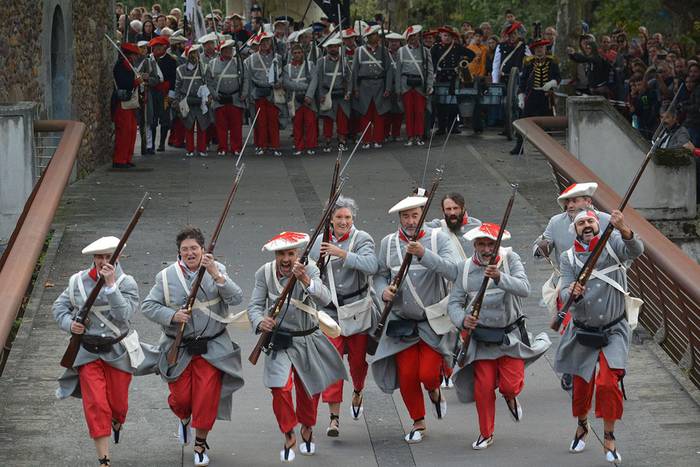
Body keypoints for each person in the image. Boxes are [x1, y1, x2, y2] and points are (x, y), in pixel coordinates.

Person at [141, 226, 245, 467]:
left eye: (194, 248)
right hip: (180, 348)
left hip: (212, 347)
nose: (190, 253)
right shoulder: (165, 277)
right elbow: (148, 306)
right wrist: (172, 315)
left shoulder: (218, 270)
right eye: (185, 249)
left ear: (203, 249)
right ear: (179, 252)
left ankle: (200, 443)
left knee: (206, 398)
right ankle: (184, 418)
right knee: (181, 399)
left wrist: (216, 274)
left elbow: (237, 298)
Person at [448, 224, 550, 450]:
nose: (486, 249)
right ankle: (486, 433)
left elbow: (524, 288)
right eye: (482, 244)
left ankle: (510, 397)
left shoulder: (510, 259)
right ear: (474, 245)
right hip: (481, 340)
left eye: (491, 244)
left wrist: (499, 277)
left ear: (498, 244)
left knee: (510, 386)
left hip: (509, 336)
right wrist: (462, 320)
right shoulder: (464, 268)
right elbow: (454, 303)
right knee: (483, 388)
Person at [247, 232, 347, 462]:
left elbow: (325, 298)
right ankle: (288, 430)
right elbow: (254, 306)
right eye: (281, 253)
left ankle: (308, 427)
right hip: (279, 341)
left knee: (309, 391)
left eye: (291, 253)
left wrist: (305, 280)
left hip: (307, 339)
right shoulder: (263, 273)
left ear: (298, 254)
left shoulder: (310, 269)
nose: (286, 258)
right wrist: (259, 321)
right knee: (279, 388)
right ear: (275, 255)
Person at [554, 209, 644, 464]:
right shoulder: (568, 257)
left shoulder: (614, 243)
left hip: (614, 328)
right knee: (581, 387)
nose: (586, 225)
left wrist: (624, 228)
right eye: (581, 223)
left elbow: (636, 250)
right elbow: (564, 294)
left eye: (590, 221)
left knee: (607, 383)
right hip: (583, 329)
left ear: (599, 224)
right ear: (575, 229)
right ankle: (582, 425)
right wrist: (572, 290)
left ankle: (609, 435)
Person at [53, 236, 150, 467]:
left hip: (117, 350)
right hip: (87, 352)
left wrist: (111, 286)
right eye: (99, 257)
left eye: (108, 256)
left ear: (117, 258)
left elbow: (123, 316)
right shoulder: (77, 281)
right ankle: (104, 459)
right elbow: (59, 308)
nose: (103, 261)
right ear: (93, 258)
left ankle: (117, 420)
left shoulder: (127, 283)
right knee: (96, 404)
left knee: (118, 404)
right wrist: (70, 324)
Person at [372, 194, 460, 443]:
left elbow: (454, 271)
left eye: (415, 215)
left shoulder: (437, 239)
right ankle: (418, 421)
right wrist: (383, 290)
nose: (410, 221)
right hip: (402, 321)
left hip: (433, 321)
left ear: (423, 215)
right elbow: (379, 274)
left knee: (428, 374)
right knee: (408, 375)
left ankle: (434, 391)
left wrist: (424, 254)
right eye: (405, 216)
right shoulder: (388, 243)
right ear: (399, 218)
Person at [308, 196, 379, 437]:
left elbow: (372, 265)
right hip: (330, 313)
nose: (343, 221)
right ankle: (334, 418)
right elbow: (311, 271)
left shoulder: (363, 238)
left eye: (347, 217)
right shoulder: (319, 241)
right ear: (330, 218)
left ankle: (358, 389)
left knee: (357, 363)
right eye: (339, 217)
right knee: (332, 364)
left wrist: (342, 254)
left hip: (357, 311)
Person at [533, 182, 611, 390]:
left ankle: (604, 365)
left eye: (574, 200)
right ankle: (571, 368)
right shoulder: (556, 222)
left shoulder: (606, 220)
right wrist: (542, 247)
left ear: (588, 202)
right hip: (568, 283)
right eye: (567, 201)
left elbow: (622, 251)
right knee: (571, 325)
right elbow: (541, 245)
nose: (569, 205)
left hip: (603, 284)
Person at [510, 34, 560, 155]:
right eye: (537, 48)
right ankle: (519, 145)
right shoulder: (528, 62)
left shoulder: (552, 61)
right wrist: (521, 96)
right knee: (523, 120)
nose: (539, 50)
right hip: (531, 95)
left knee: (548, 122)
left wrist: (551, 83)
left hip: (546, 96)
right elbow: (523, 81)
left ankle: (550, 148)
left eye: (541, 47)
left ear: (545, 49)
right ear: (534, 49)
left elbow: (558, 77)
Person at [352, 24, 393, 149]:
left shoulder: (384, 50)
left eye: (376, 34)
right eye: (372, 35)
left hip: (380, 84)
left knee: (379, 113)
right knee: (365, 113)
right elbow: (354, 71)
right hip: (364, 85)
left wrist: (388, 88)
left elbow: (389, 70)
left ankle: (378, 139)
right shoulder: (359, 51)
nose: (376, 37)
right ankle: (366, 139)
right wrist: (355, 88)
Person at [206, 39, 247, 157]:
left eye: (230, 49)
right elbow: (209, 81)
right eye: (226, 49)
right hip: (220, 99)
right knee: (221, 126)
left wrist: (244, 93)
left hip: (235, 98)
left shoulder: (239, 62)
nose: (229, 51)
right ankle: (222, 147)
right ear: (221, 50)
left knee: (236, 126)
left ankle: (236, 148)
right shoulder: (212, 64)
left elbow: (245, 79)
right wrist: (214, 95)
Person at [246, 31, 284, 156]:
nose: (265, 44)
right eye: (262, 42)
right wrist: (250, 95)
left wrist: (280, 82)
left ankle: (275, 146)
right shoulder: (251, 60)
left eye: (267, 41)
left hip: (273, 93)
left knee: (273, 121)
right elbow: (248, 78)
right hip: (258, 93)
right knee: (260, 122)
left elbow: (283, 74)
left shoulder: (277, 57)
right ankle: (261, 145)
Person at [432, 26, 474, 135]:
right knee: (440, 104)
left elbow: (471, 55)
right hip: (441, 77)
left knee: (453, 103)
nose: (447, 38)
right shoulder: (435, 48)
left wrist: (462, 61)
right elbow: (431, 61)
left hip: (454, 77)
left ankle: (453, 127)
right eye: (445, 35)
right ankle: (441, 128)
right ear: (441, 36)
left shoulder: (457, 47)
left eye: (449, 36)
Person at [397, 25, 434, 146]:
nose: (414, 38)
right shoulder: (401, 51)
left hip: (420, 85)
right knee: (408, 112)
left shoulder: (425, 51)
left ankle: (419, 135)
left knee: (419, 112)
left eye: (415, 36)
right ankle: (410, 136)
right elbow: (398, 71)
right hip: (406, 85)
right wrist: (398, 88)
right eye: (411, 36)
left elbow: (429, 70)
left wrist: (429, 85)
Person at [173, 45, 212, 157]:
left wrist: (209, 96)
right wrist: (176, 100)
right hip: (186, 100)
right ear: (187, 55)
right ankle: (189, 149)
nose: (194, 56)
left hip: (201, 100)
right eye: (192, 53)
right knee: (188, 126)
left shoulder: (204, 68)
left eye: (196, 53)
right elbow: (178, 87)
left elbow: (209, 83)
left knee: (202, 125)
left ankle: (202, 149)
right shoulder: (180, 70)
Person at [317, 36, 352, 152]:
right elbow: (320, 80)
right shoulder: (321, 62)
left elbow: (349, 78)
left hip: (341, 94)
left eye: (335, 46)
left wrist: (348, 91)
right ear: (327, 48)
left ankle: (342, 139)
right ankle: (327, 139)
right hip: (328, 94)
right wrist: (321, 94)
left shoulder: (344, 61)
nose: (333, 49)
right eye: (331, 47)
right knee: (328, 118)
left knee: (342, 118)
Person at [111, 42, 142, 169]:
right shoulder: (120, 66)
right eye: (134, 55)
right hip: (122, 103)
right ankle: (120, 159)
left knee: (131, 131)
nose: (135, 58)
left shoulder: (128, 66)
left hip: (130, 103)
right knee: (124, 132)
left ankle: (127, 157)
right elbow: (124, 83)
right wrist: (135, 82)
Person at [283, 43, 318, 155]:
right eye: (295, 53)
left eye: (299, 52)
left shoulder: (310, 65)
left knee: (310, 123)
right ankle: (299, 146)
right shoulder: (287, 67)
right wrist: (304, 86)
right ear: (292, 54)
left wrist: (309, 95)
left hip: (308, 98)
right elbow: (287, 83)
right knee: (297, 124)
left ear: (303, 53)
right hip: (294, 99)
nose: (297, 55)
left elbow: (314, 81)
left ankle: (311, 146)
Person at [149, 36, 176, 152]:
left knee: (165, 118)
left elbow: (174, 79)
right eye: (154, 47)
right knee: (152, 118)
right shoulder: (149, 60)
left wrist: (171, 94)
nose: (156, 50)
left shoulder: (171, 61)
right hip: (152, 93)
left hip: (165, 94)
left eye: (159, 47)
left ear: (164, 48)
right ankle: (152, 144)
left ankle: (161, 143)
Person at [385, 32, 405, 142]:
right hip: (387, 86)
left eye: (396, 41)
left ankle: (396, 134)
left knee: (398, 111)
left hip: (400, 85)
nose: (393, 43)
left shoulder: (403, 53)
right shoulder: (384, 53)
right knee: (387, 111)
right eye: (391, 41)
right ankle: (386, 133)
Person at [628, 72, 660, 140]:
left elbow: (653, 108)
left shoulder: (650, 93)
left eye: (639, 84)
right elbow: (634, 112)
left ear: (644, 83)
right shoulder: (636, 97)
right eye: (636, 85)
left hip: (651, 123)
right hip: (641, 124)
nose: (638, 87)